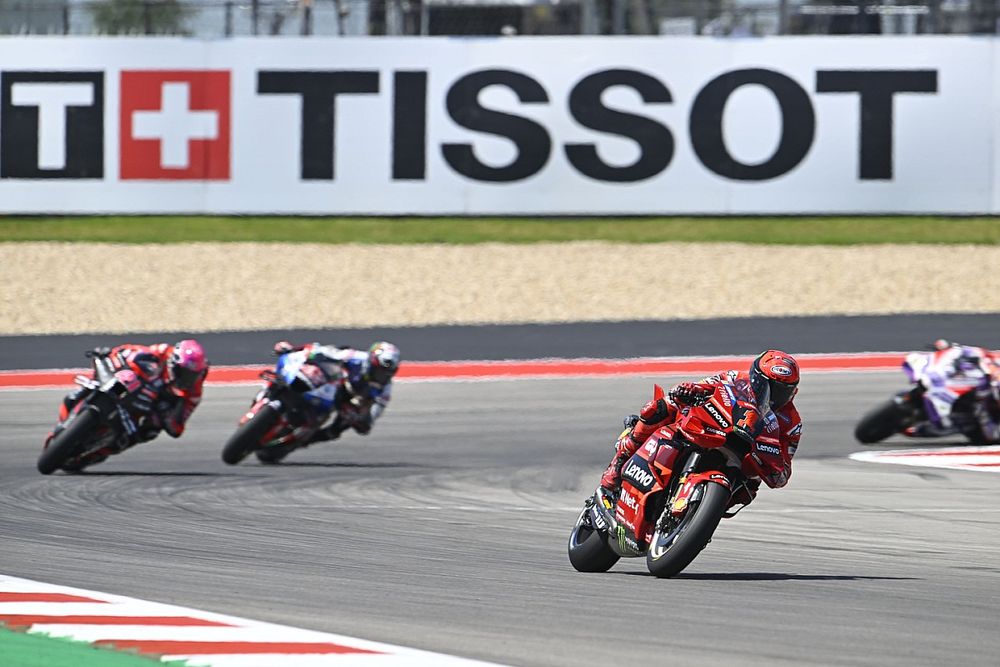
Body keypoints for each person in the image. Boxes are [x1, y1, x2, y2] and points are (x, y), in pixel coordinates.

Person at [599, 349, 802, 508]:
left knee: (745, 491)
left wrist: (771, 462)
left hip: (742, 461)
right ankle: (620, 461)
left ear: (794, 391)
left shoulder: (792, 424)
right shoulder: (734, 379)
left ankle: (695, 517)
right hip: (713, 430)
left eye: (782, 390)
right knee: (660, 407)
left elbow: (783, 474)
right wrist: (689, 390)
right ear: (756, 378)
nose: (774, 395)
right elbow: (703, 387)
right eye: (769, 387)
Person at [45, 339, 209, 460]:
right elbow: (130, 351)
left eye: (192, 376)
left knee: (147, 433)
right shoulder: (161, 353)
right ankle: (67, 422)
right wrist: (113, 357)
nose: (188, 379)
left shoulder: (193, 392)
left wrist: (167, 413)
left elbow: (177, 429)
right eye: (185, 374)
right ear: (173, 363)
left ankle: (96, 452)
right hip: (126, 388)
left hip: (144, 411)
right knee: (76, 394)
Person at [271, 340, 400, 443]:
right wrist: (293, 349)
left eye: (386, 374)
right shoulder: (354, 357)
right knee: (310, 370)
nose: (382, 376)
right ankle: (276, 390)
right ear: (371, 362)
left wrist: (361, 418)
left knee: (338, 428)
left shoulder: (385, 388)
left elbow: (371, 419)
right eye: (379, 371)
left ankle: (303, 441)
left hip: (346, 402)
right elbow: (320, 350)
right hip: (332, 383)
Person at [907, 339, 1000, 443]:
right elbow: (983, 358)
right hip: (971, 391)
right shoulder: (991, 374)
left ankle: (938, 423)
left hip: (981, 425)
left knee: (983, 434)